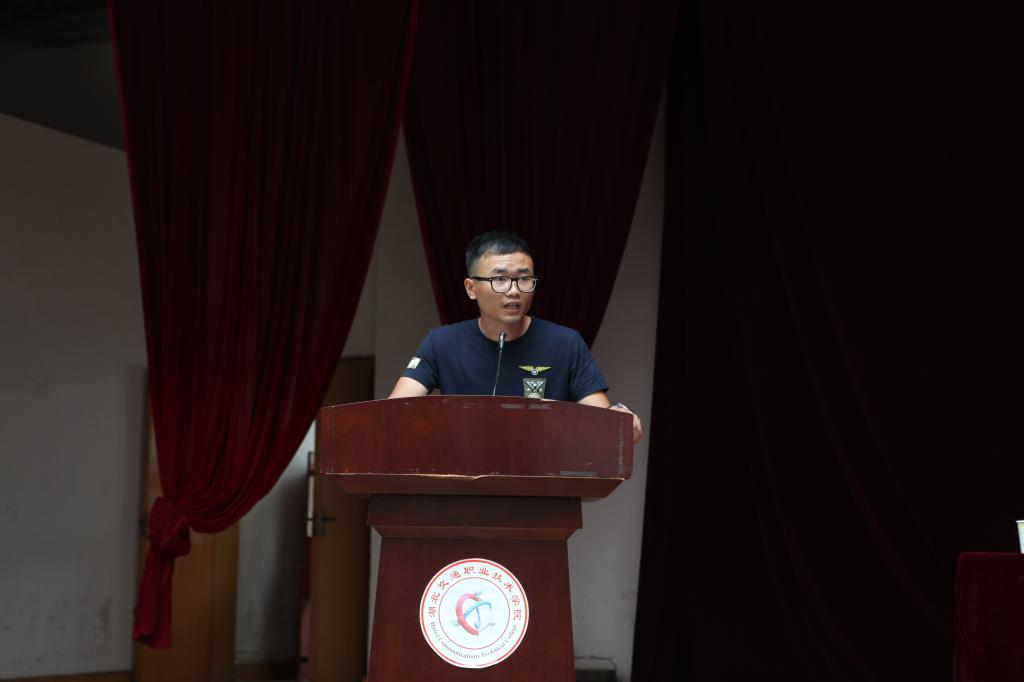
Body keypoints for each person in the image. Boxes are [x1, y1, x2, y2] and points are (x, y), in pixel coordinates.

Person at [388, 230, 643, 443]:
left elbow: (606, 422)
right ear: (471, 288)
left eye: (524, 279)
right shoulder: (441, 342)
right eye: (500, 279)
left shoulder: (565, 343)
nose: (513, 291)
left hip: (542, 479)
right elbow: (391, 414)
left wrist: (622, 420)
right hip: (463, 479)